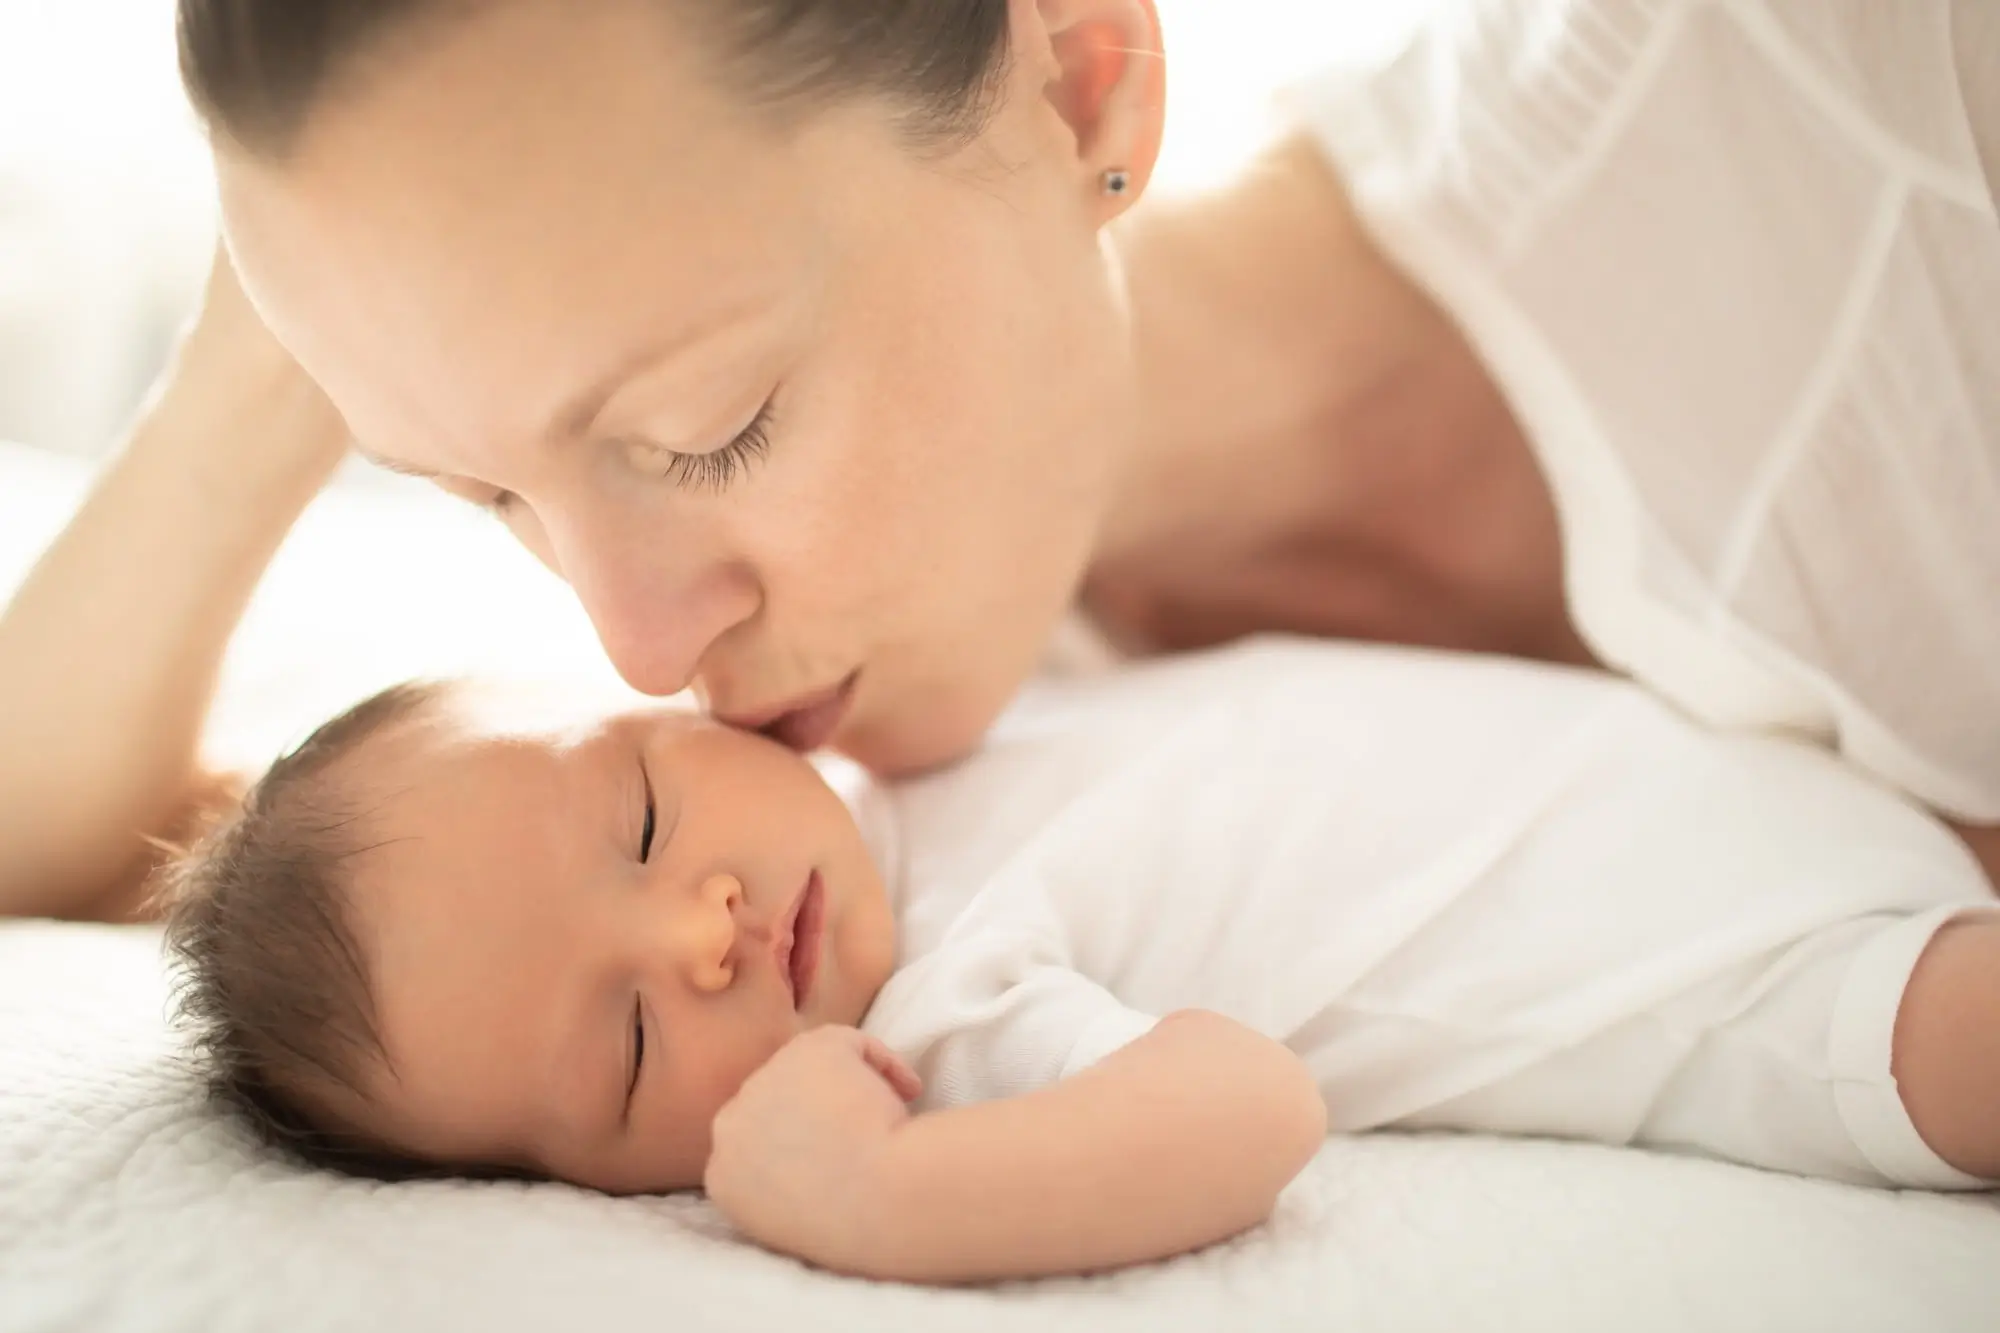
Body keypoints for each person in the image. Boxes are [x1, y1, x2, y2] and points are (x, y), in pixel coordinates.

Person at [2, 2, 1996, 895]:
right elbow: (64, 849)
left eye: (710, 433)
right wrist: (314, 344)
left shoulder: (1863, 94)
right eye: (492, 497)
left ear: (1078, 74)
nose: (634, 645)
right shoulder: (837, 806)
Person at [153, 637, 1998, 1284]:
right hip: (1787, 988)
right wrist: (879, 1191)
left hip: (1781, 769)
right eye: (629, 1050)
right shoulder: (945, 1008)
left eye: (639, 823)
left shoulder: (921, 722)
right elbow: (1245, 1109)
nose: (698, 934)